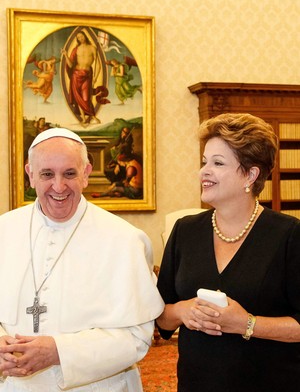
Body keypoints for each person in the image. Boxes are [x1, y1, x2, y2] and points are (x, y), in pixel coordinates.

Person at [0, 127, 164, 391]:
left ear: (86, 173)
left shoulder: (125, 240)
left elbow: (137, 337)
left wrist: (60, 351)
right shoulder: (3, 231)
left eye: (69, 174)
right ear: (30, 175)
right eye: (46, 174)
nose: (58, 186)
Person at [156, 113, 300, 392]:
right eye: (204, 162)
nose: (204, 171)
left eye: (218, 163)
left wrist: (247, 324)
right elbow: (160, 316)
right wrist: (182, 311)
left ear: (251, 174)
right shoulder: (184, 231)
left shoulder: (289, 235)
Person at [61, 30, 102, 125]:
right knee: (78, 97)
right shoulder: (76, 49)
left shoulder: (92, 48)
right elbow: (71, 65)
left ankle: (93, 116)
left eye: (82, 36)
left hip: (87, 75)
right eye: (78, 37)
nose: (80, 38)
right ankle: (83, 119)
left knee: (86, 98)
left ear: (85, 36)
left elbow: (99, 65)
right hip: (76, 75)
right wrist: (66, 55)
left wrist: (95, 77)